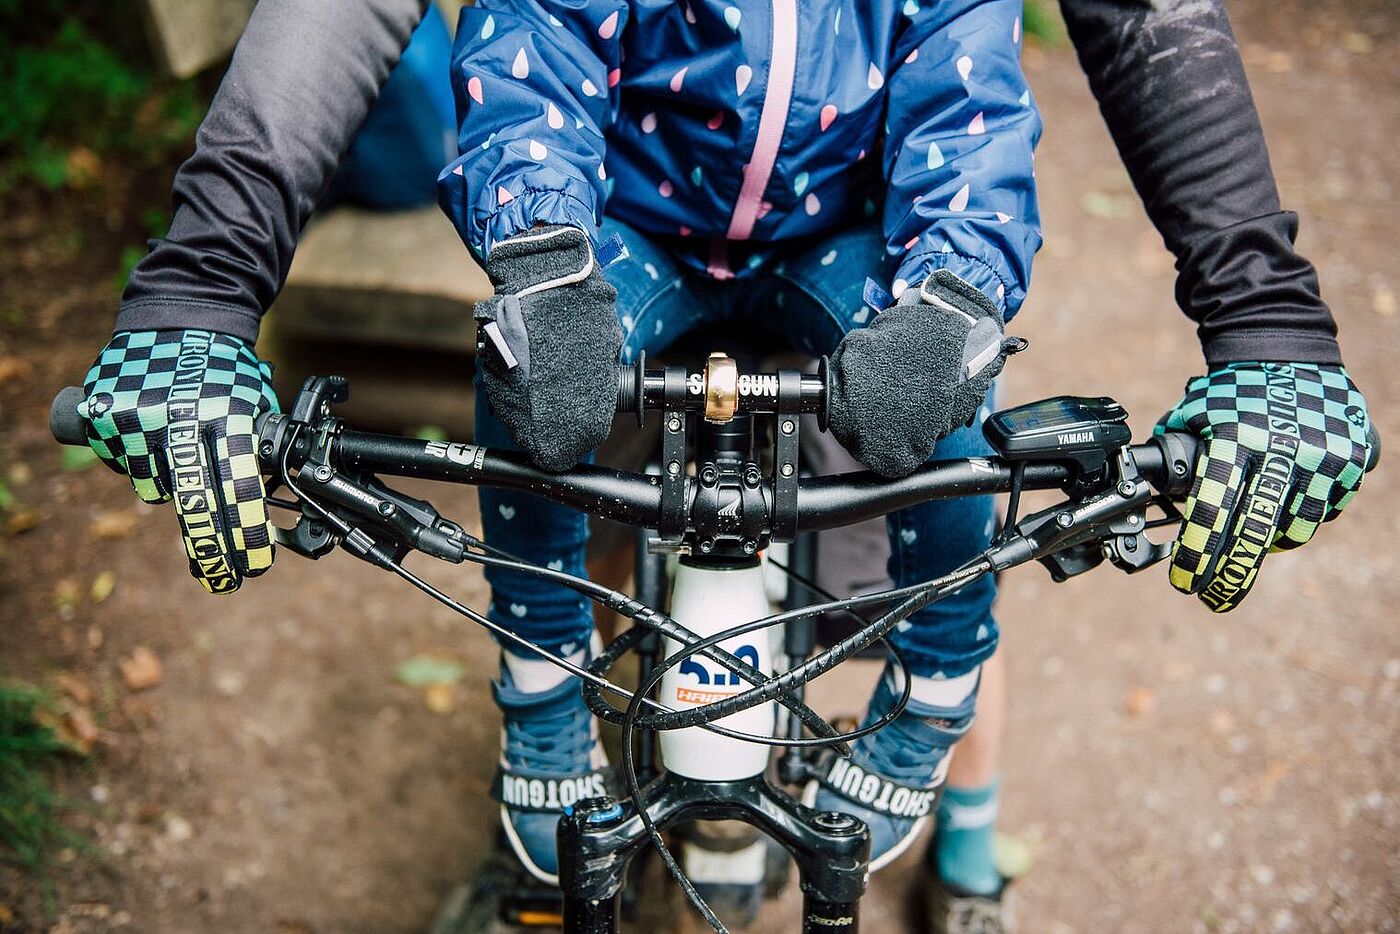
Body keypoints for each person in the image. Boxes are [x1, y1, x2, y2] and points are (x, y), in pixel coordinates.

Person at [70, 1, 1374, 931]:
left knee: (946, 456)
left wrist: (960, 297)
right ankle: (542, 690)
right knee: (539, 391)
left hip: (842, 234)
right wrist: (543, 263)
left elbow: (972, 93)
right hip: (634, 226)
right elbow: (537, 44)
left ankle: (937, 713)